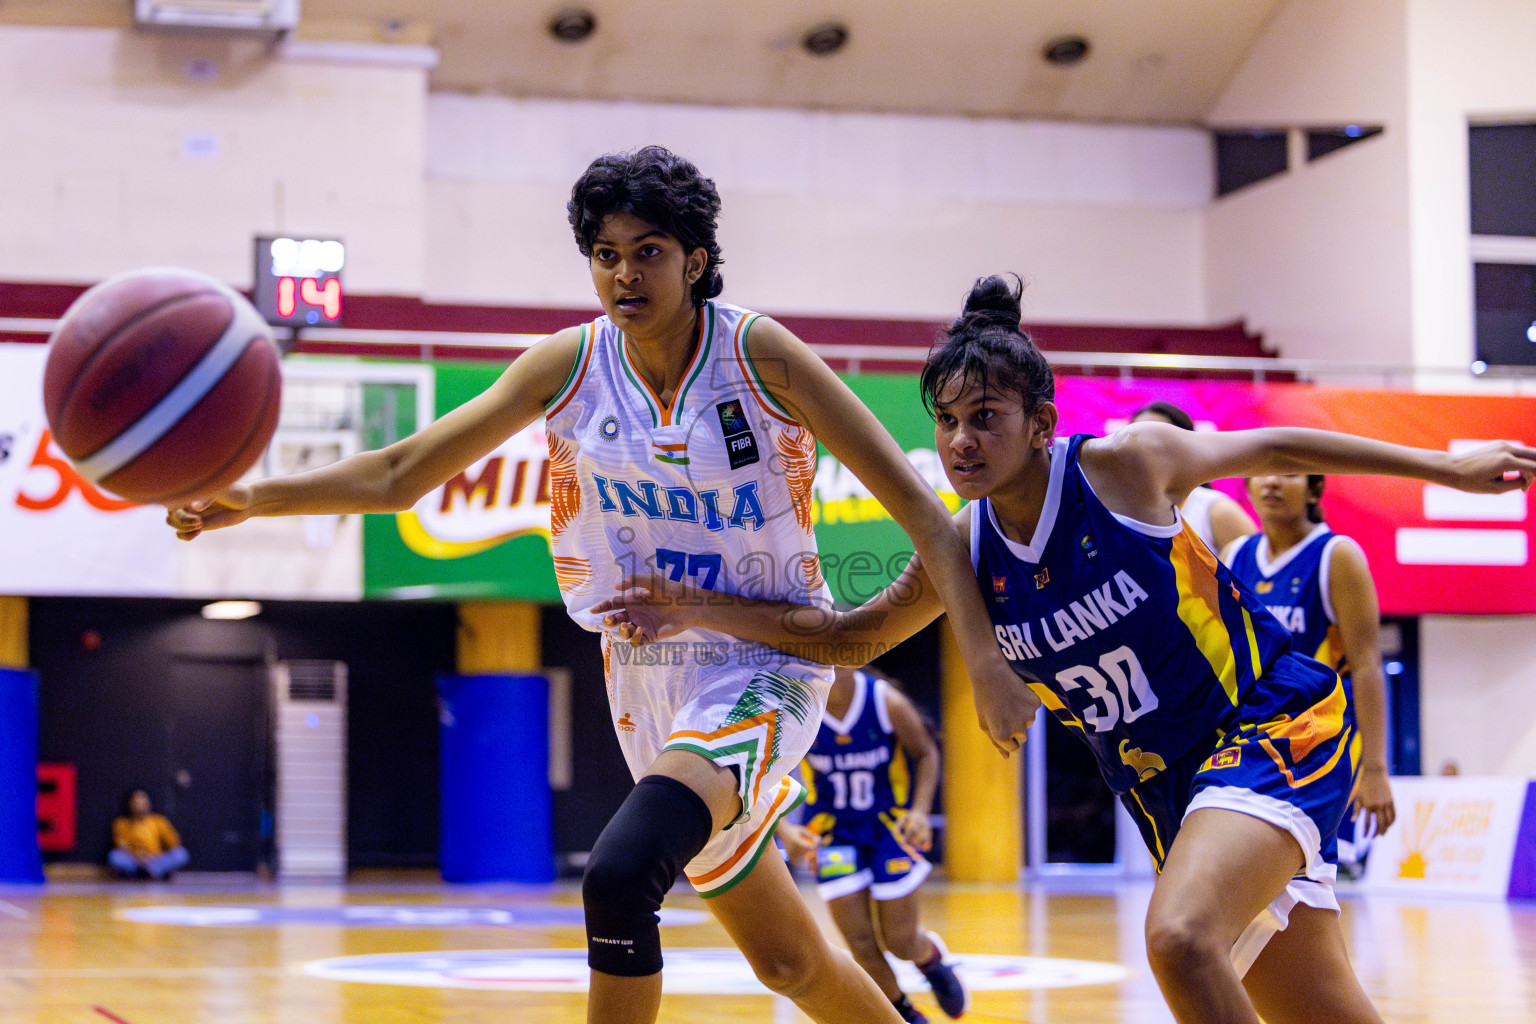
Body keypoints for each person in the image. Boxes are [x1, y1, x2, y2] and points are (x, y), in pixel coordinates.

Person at [166, 147, 1027, 1024]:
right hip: (644, 681)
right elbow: (401, 475)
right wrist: (253, 496)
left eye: (648, 250)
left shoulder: (760, 355)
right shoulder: (567, 367)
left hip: (763, 663)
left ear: (694, 260)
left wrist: (988, 665)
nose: (624, 273)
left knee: (620, 880)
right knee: (790, 961)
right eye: (605, 253)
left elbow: (926, 515)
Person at [593, 274, 1536, 1024]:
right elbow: (848, 638)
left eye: (986, 417)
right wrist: (693, 607)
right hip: (1174, 793)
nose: (962, 440)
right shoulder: (961, 552)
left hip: (1268, 730)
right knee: (1321, 1012)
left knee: (1179, 939)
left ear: (1040, 422)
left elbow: (1269, 443)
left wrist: (1445, 467)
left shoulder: (1124, 467)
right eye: (948, 421)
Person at [1223, 474, 1395, 878]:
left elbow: (1368, 666)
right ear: (1246, 488)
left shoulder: (1337, 555)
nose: (1272, 483)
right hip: (1251, 741)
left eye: (1288, 473)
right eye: (1262, 472)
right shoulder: (1234, 555)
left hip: (1317, 745)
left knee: (1301, 878)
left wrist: (1375, 770)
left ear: (1315, 490)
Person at [776, 666, 967, 1023]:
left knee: (900, 939)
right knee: (860, 942)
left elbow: (926, 752)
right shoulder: (798, 704)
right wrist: (785, 830)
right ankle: (905, 1013)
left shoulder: (885, 701)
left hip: (890, 828)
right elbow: (768, 769)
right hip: (832, 833)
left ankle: (930, 958)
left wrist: (922, 811)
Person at [1129, 401, 1257, 556]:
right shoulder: (1116, 508)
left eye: (1156, 438)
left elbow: (1251, 573)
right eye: (1135, 438)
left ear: (1187, 446)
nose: (1145, 447)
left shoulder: (1216, 511)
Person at [109, 789, 188, 881]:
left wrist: (155, 856)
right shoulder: (121, 823)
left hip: (156, 859)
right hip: (134, 860)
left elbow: (174, 843)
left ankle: (149, 872)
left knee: (181, 854)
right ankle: (145, 872)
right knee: (115, 856)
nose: (139, 805)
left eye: (143, 801)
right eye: (136, 802)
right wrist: (138, 857)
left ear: (149, 803)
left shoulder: (159, 821)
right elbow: (121, 845)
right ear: (130, 804)